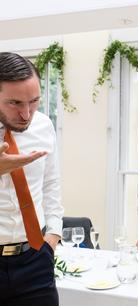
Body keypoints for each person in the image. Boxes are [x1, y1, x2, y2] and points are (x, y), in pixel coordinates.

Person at [0, 52, 64, 305]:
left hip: (35, 260)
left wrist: (53, 237)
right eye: (14, 103)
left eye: (34, 101)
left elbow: (51, 184)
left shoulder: (43, 126)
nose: (26, 114)